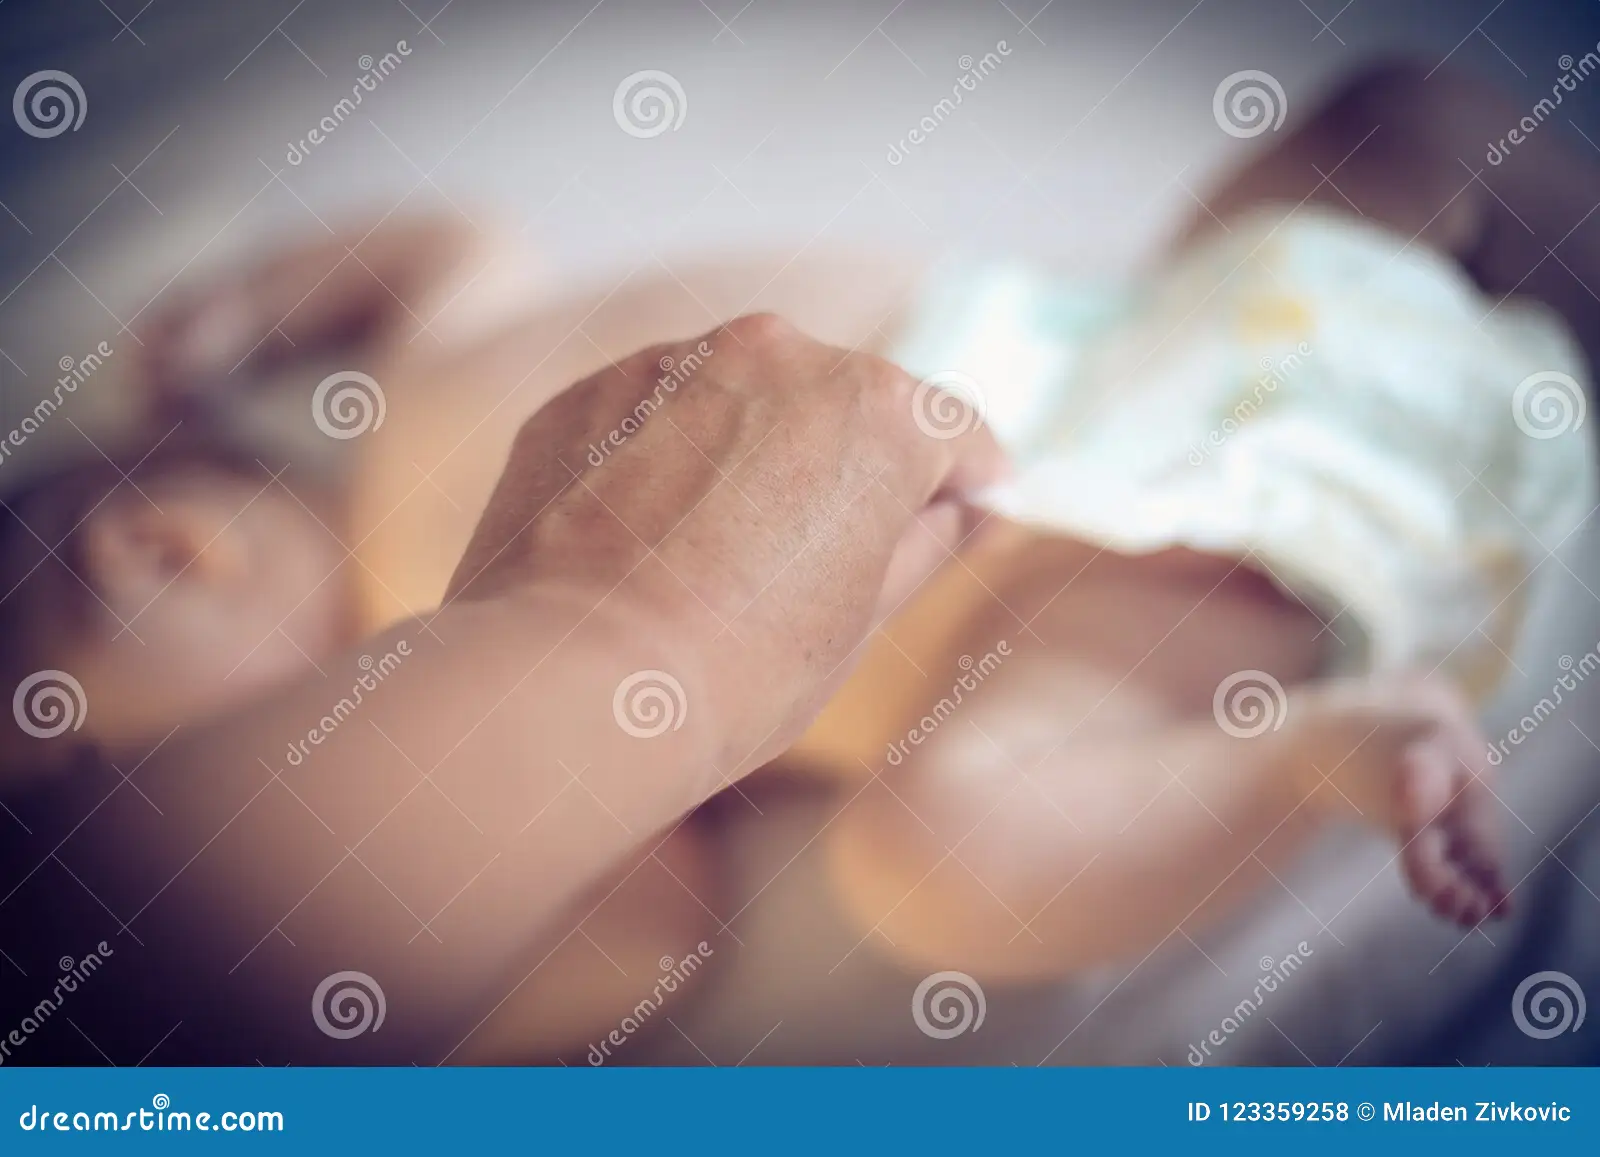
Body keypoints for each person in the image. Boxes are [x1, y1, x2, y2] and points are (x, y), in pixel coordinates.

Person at [0, 62, 1593, 1063]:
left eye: (99, 766)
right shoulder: (521, 717)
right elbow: (647, 937)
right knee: (935, 853)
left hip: (1212, 324)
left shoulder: (422, 409)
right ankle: (1294, 761)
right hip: (1105, 569)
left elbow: (444, 238)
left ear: (161, 546)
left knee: (1401, 122)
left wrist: (252, 304)